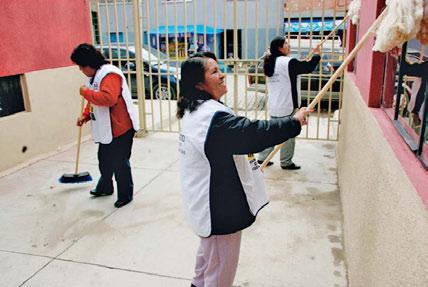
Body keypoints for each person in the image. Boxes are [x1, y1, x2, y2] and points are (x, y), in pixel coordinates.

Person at [177, 52, 312, 287]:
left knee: (208, 260)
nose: (222, 76)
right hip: (218, 208)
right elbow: (250, 133)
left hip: (209, 203)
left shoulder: (198, 109)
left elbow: (237, 137)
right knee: (219, 273)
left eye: (220, 69)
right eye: (214, 72)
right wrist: (293, 122)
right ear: (199, 84)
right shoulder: (210, 118)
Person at [70, 43, 139, 208]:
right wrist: (85, 116)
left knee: (120, 162)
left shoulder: (110, 75)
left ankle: (125, 194)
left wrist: (85, 92)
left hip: (120, 127)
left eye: (81, 66)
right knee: (104, 160)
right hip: (106, 129)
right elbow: (94, 101)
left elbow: (108, 99)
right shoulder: (94, 77)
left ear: (89, 64)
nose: (80, 70)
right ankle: (105, 186)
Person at [257, 36, 321, 170]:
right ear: (280, 48)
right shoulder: (287, 62)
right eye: (286, 43)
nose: (289, 45)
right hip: (287, 105)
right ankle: (286, 162)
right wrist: (316, 56)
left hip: (275, 105)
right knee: (289, 134)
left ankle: (263, 158)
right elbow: (307, 67)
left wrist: (307, 59)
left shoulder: (270, 62)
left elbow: (298, 67)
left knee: (272, 133)